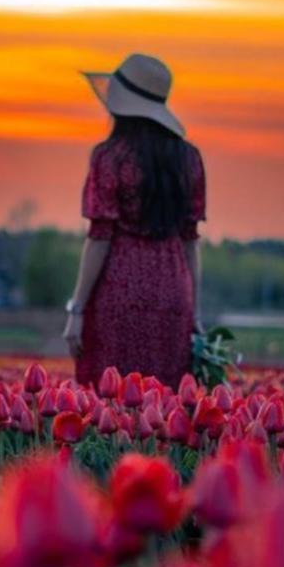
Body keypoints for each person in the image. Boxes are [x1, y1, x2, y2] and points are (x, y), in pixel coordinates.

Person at [64, 53, 206, 390]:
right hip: (173, 290)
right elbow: (190, 240)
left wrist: (77, 309)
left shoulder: (109, 157)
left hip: (118, 289)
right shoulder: (188, 158)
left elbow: (99, 237)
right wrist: (194, 311)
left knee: (112, 396)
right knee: (163, 401)